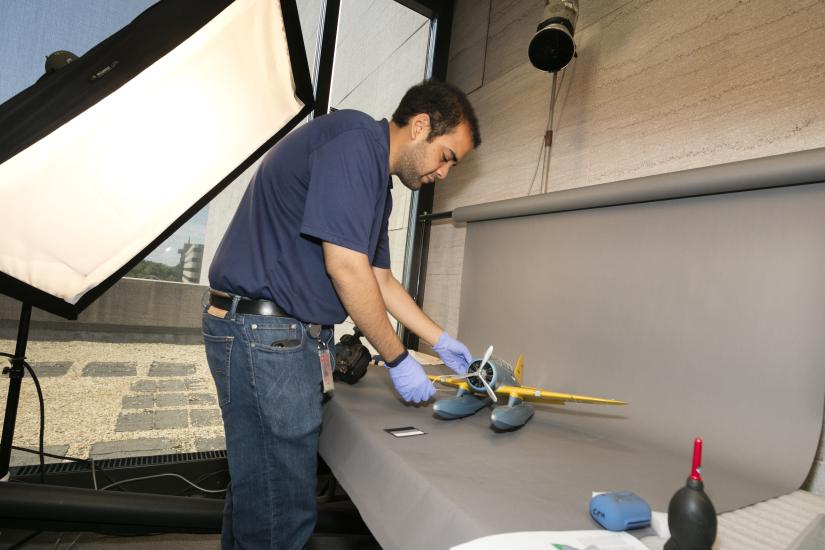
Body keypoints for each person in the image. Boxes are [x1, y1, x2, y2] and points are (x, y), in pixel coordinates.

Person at [202, 80, 481, 549]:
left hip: (274, 333)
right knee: (281, 511)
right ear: (420, 127)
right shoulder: (355, 144)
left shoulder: (377, 182)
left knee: (261, 494)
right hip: (265, 332)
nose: (445, 173)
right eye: (448, 156)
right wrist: (397, 359)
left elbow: (382, 280)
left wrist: (442, 341)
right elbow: (347, 268)